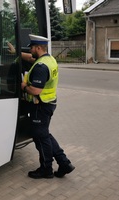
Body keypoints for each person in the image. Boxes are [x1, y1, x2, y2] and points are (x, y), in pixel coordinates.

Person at [21, 34, 75, 179]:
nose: (30, 50)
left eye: (32, 47)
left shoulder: (41, 67)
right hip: (48, 103)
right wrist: (16, 53)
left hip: (41, 105)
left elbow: (36, 90)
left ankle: (46, 169)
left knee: (41, 138)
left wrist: (24, 86)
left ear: (38, 47)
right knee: (45, 135)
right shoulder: (49, 59)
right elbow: (30, 58)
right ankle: (64, 163)